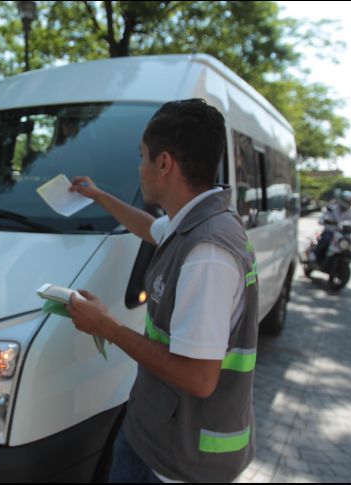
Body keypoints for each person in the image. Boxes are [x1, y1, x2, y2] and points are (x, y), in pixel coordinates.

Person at [67, 99, 258, 483]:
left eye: (142, 157)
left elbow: (198, 378)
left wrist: (107, 326)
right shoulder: (198, 220)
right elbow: (149, 229)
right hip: (156, 435)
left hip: (179, 462)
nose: (139, 169)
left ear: (164, 163)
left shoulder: (207, 253)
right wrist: (101, 196)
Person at [312, 190, 351, 263]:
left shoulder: (350, 212)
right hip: (329, 232)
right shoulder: (331, 209)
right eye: (348, 201)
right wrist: (328, 221)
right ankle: (314, 255)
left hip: (341, 234)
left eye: (350, 201)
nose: (349, 203)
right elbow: (321, 220)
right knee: (325, 239)